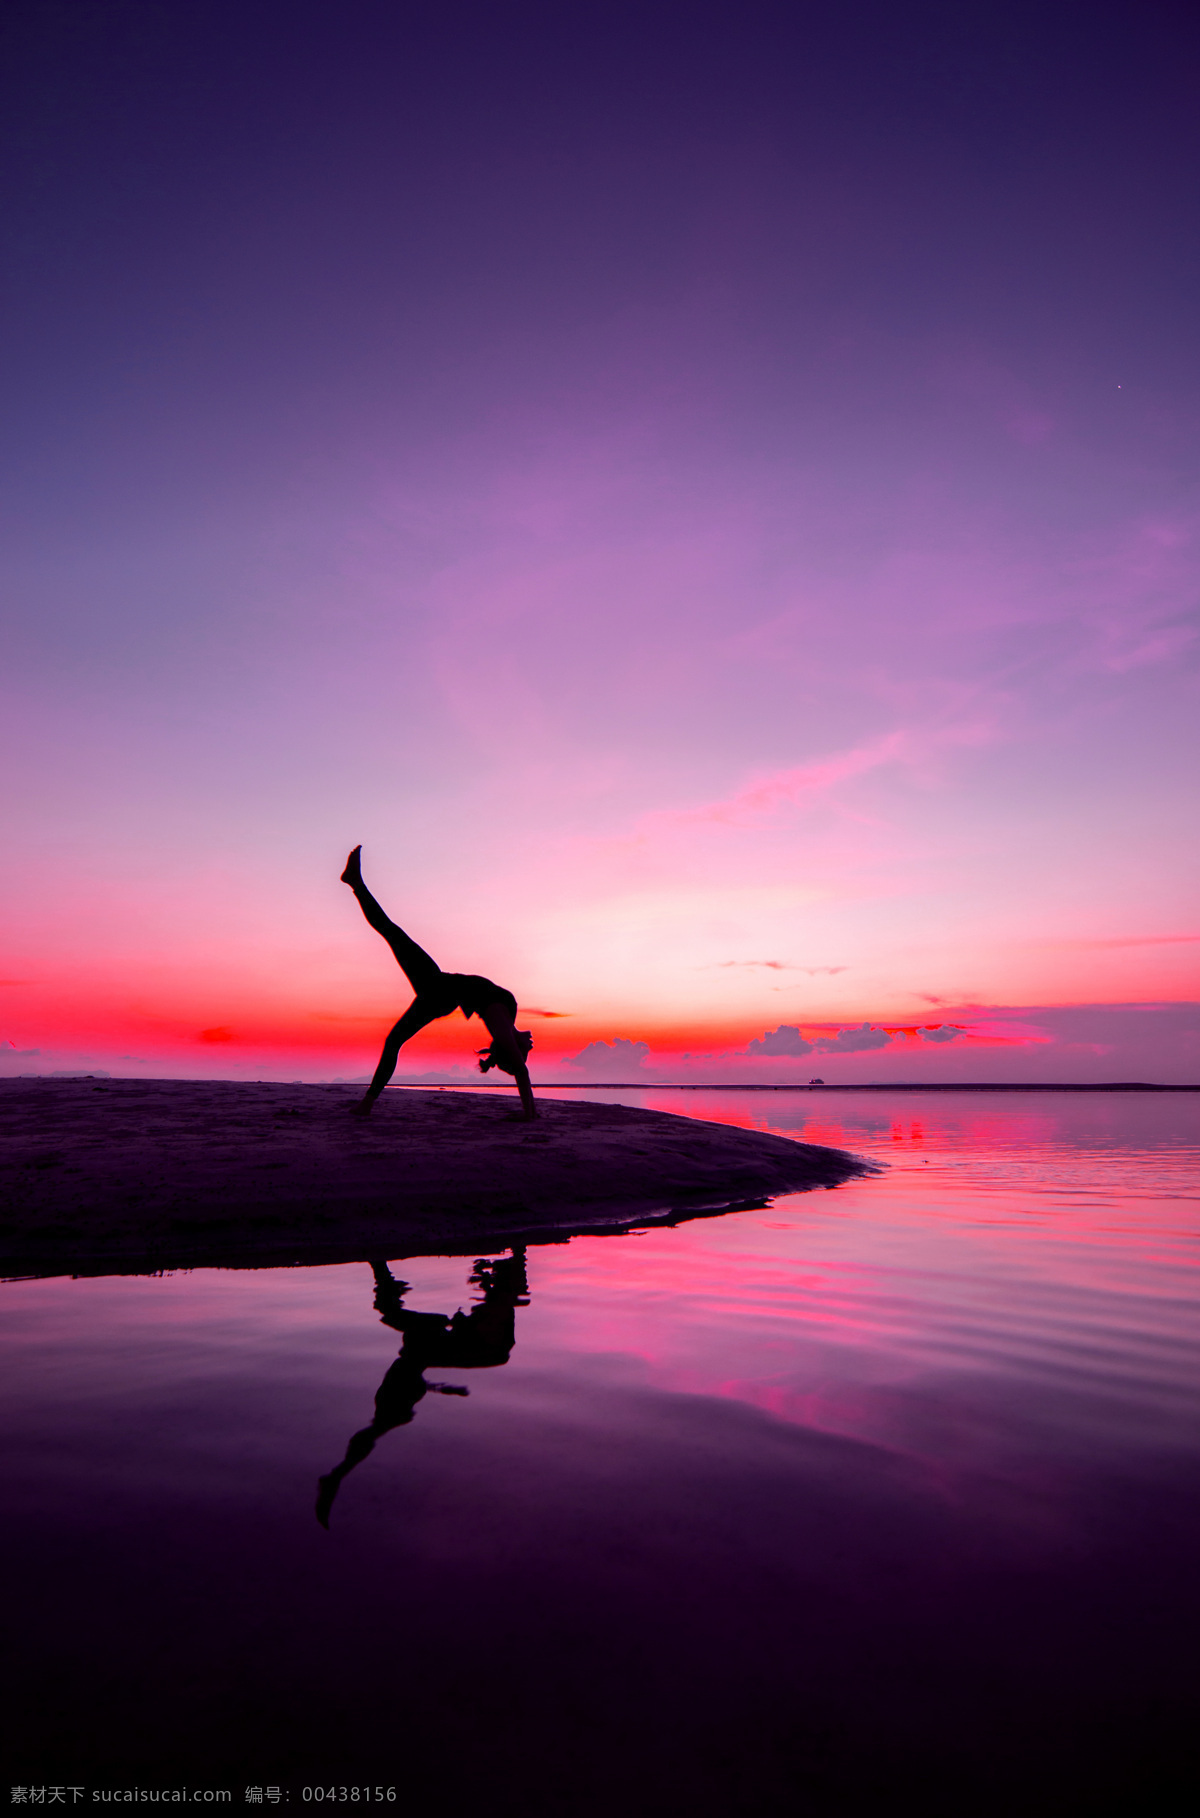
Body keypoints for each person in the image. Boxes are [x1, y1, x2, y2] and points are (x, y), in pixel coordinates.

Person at [315, 1251, 529, 1527]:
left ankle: (381, 1267)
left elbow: (472, 1330)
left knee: (394, 1393)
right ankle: (381, 1268)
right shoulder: (498, 1326)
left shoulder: (498, 1325)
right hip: (451, 1347)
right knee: (399, 1341)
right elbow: (472, 1331)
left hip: (448, 1347)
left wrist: (438, 1383)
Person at [341, 845, 536, 1119]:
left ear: (511, 1049)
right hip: (440, 985)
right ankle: (368, 1103)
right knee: (393, 1038)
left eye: (524, 1052)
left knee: (391, 932)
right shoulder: (509, 1015)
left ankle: (356, 884)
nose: (530, 1048)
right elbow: (519, 1062)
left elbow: (521, 1070)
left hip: (438, 992)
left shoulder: (499, 1017)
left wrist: (530, 1113)